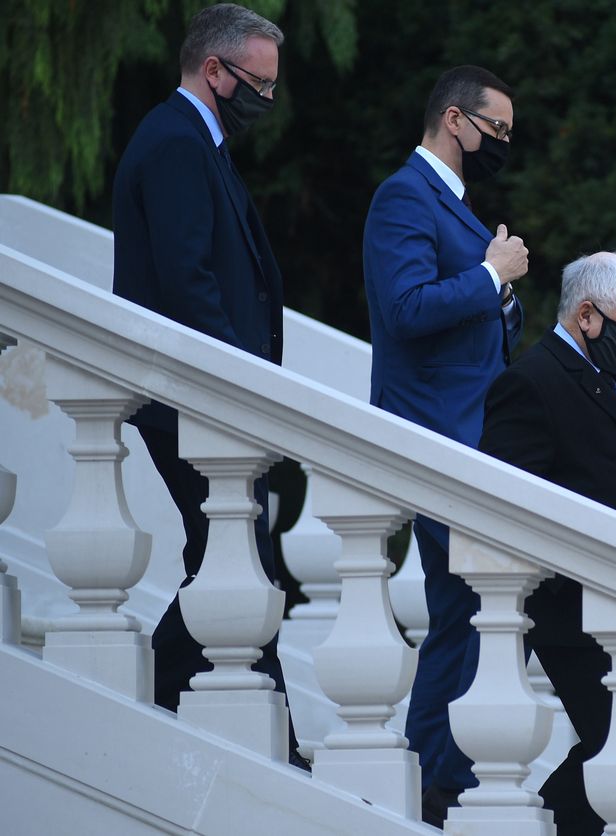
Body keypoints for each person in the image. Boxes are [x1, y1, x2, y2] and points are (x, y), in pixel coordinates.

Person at [110, 3, 304, 766]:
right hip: (192, 404)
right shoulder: (177, 146)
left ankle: (162, 705)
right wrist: (238, 386)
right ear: (213, 70)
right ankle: (167, 708)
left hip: (201, 403)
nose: (267, 99)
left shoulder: (197, 141)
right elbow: (190, 284)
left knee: (226, 562)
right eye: (259, 83)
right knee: (236, 561)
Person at [479, 251, 616, 835]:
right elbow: (512, 506)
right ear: (586, 315)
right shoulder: (532, 381)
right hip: (578, 612)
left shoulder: (606, 380)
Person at [361, 64, 528, 822]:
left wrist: (503, 296)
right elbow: (404, 309)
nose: (501, 145)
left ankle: (438, 775)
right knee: (466, 606)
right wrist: (491, 276)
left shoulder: (456, 206)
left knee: (467, 612)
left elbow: (467, 326)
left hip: (468, 439)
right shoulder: (405, 195)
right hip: (433, 438)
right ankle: (433, 776)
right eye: (496, 130)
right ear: (454, 121)